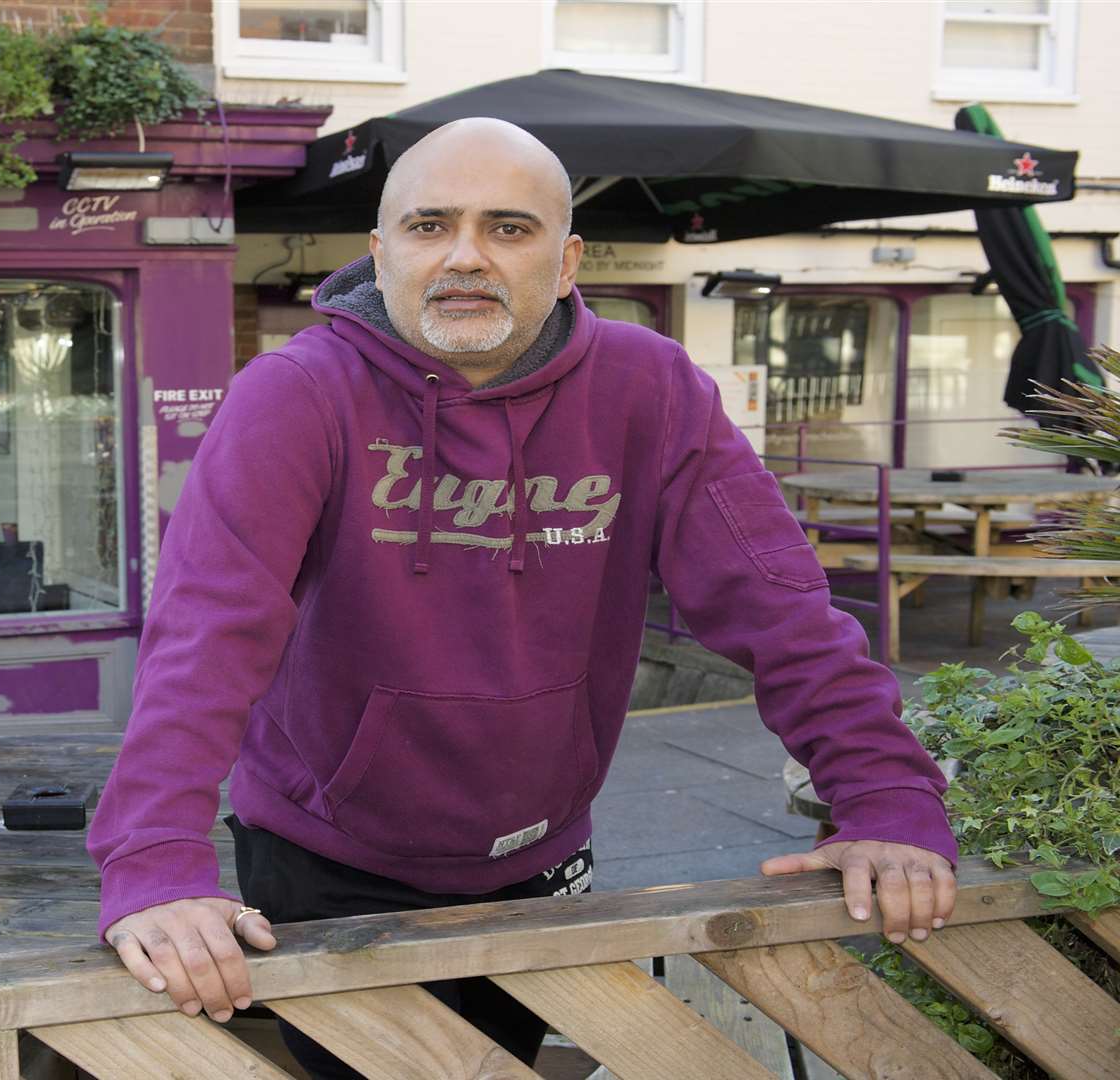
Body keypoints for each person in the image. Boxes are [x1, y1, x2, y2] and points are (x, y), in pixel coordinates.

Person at [84, 118, 960, 1077]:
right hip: (326, 851)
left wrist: (883, 797)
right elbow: (206, 636)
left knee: (505, 1062)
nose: (464, 257)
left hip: (542, 844)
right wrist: (156, 860)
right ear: (379, 254)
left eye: (508, 228)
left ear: (568, 256)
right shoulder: (296, 392)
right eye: (429, 226)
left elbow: (780, 606)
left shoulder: (651, 386)